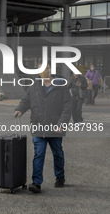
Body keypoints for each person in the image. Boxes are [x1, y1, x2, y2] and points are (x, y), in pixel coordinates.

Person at [14, 62, 72, 193]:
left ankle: (60, 177)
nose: (44, 71)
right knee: (38, 154)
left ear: (51, 69)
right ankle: (36, 183)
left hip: (55, 127)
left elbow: (67, 106)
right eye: (41, 68)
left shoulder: (61, 86)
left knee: (57, 153)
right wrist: (19, 110)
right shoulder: (34, 85)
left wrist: (62, 123)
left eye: (46, 68)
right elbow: (25, 100)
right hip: (38, 126)